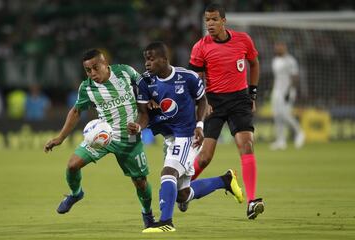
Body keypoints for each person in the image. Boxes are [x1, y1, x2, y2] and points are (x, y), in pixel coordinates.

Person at [128, 42, 244, 233]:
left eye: (151, 58)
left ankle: (166, 222)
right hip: (169, 137)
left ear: (165, 59)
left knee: (168, 173)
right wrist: (138, 127)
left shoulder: (187, 77)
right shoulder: (144, 82)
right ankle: (225, 180)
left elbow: (202, 100)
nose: (147, 63)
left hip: (188, 135)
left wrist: (200, 126)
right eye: (145, 59)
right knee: (182, 195)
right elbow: (144, 115)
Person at [44, 49, 155, 229]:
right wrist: (60, 137)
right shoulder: (87, 88)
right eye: (88, 70)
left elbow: (145, 83)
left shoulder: (125, 72)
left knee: (140, 182)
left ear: (105, 64)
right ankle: (75, 193)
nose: (92, 73)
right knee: (72, 165)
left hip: (130, 138)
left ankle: (147, 214)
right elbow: (76, 111)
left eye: (95, 68)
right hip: (102, 137)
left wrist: (151, 99)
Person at [188, 3, 264, 219]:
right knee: (204, 158)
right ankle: (183, 191)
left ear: (223, 21)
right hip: (214, 102)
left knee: (246, 145)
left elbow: (254, 64)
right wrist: (203, 100)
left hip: (240, 99)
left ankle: (251, 201)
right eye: (207, 20)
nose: (210, 24)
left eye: (214, 19)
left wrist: (253, 94)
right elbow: (194, 80)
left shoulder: (243, 40)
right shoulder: (200, 47)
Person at [270, 41, 305, 150]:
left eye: (279, 46)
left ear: (284, 47)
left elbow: (295, 77)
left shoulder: (290, 61)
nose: (277, 48)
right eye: (276, 46)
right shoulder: (275, 60)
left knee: (285, 114)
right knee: (277, 116)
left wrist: (289, 91)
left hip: (287, 92)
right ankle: (281, 141)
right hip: (276, 91)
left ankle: (300, 132)